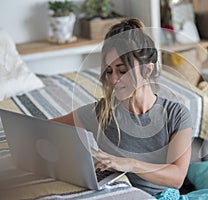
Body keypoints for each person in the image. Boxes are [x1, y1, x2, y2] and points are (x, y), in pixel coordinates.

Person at [52, 18, 193, 197]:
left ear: (147, 70)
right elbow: (44, 128)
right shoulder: (100, 113)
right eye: (109, 71)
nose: (112, 80)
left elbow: (177, 177)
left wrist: (129, 164)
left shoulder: (177, 114)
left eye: (122, 70)